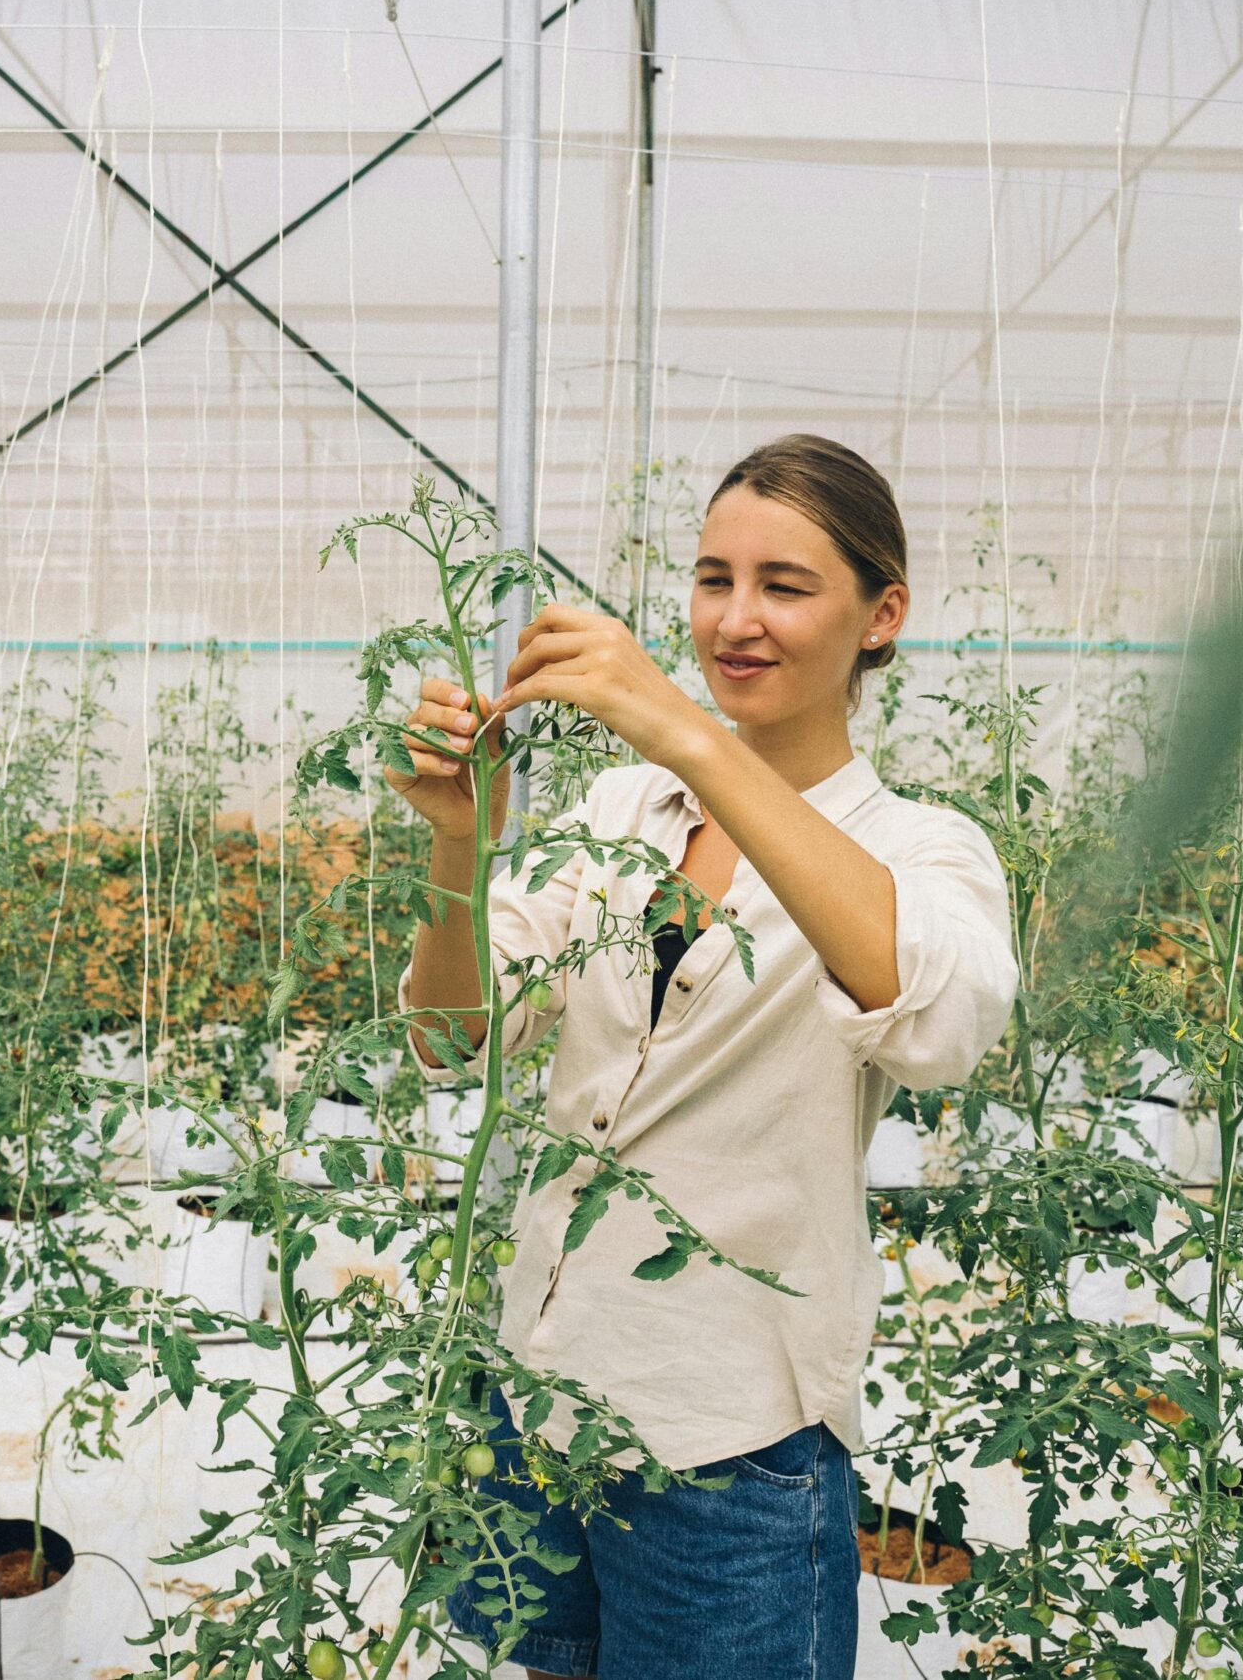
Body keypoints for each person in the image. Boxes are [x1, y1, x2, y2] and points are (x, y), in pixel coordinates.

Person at [394, 434, 1019, 1680]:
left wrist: (689, 736)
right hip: (539, 1398)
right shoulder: (615, 817)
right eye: (711, 577)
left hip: (727, 1450)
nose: (735, 619)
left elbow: (943, 1020)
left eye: (785, 585)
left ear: (880, 615)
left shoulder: (915, 850)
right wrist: (460, 838)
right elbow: (450, 1032)